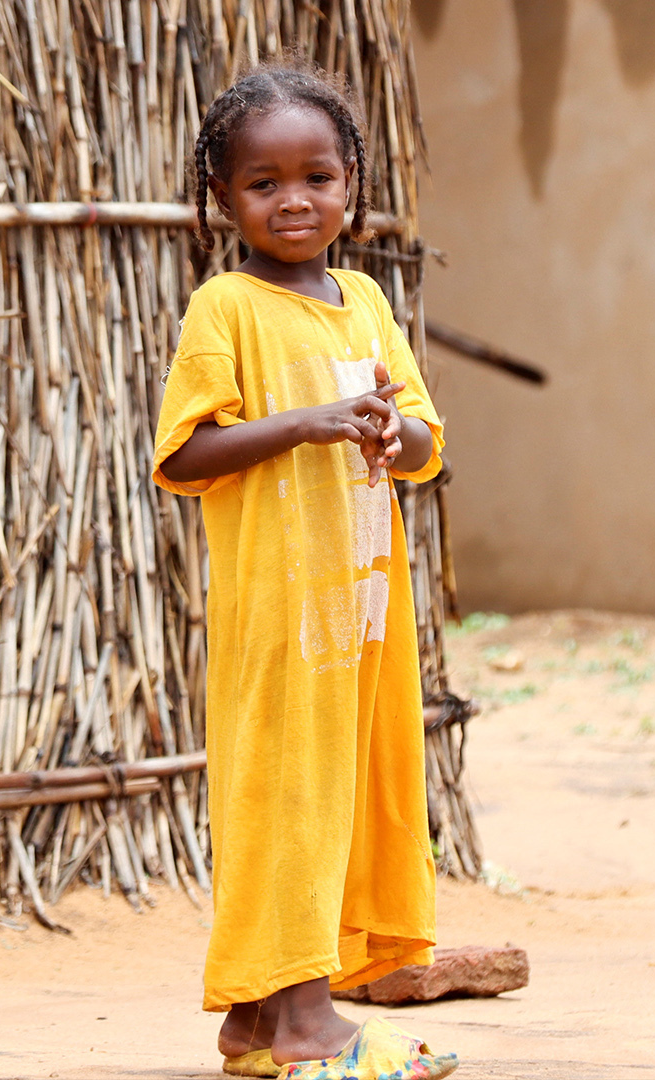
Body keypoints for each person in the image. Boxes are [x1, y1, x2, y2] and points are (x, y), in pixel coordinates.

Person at [150, 59, 459, 1080]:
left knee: (336, 797)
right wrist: (304, 423)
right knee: (287, 799)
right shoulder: (226, 309)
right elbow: (183, 458)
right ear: (222, 197)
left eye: (317, 178)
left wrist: (393, 437)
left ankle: (255, 1021)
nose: (295, 201)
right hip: (279, 615)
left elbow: (425, 442)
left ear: (351, 182)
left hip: (359, 611)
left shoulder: (364, 301)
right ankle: (309, 1024)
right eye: (264, 183)